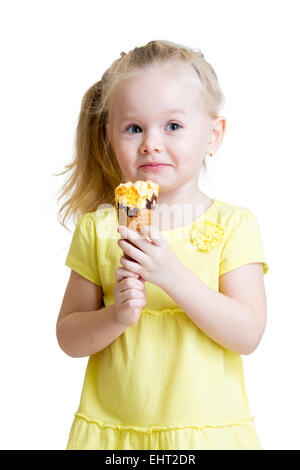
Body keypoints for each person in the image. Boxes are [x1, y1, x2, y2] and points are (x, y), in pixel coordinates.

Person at [55, 40, 269, 450]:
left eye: (172, 126)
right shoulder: (99, 230)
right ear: (109, 137)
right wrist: (115, 316)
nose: (151, 143)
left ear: (213, 134)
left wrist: (173, 278)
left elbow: (248, 334)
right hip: (112, 439)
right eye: (134, 128)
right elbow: (68, 337)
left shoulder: (235, 225)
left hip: (208, 439)